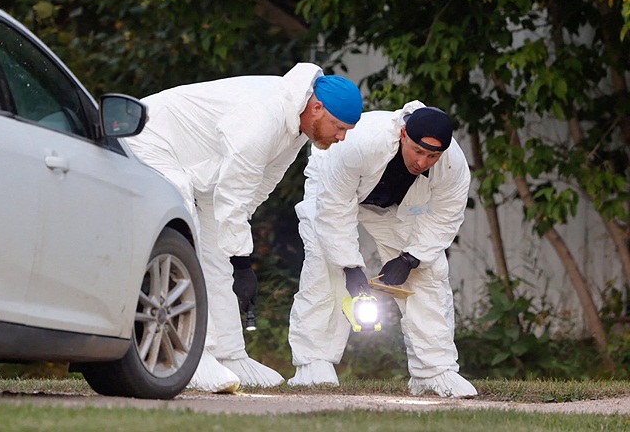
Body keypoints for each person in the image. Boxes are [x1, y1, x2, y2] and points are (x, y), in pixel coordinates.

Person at [125, 63, 363, 393]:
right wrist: (242, 263)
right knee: (185, 233)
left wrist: (236, 252)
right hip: (148, 138)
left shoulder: (296, 126)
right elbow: (235, 192)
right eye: (339, 127)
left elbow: (257, 188)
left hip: (202, 168)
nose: (341, 137)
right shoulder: (264, 117)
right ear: (317, 108)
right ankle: (192, 354)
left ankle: (229, 354)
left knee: (219, 249)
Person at [287, 101, 477, 397]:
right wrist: (350, 267)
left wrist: (411, 258)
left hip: (390, 205)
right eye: (418, 151)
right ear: (403, 135)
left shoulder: (453, 165)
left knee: (429, 271)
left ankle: (433, 371)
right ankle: (314, 364)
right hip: (333, 188)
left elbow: (446, 216)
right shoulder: (361, 144)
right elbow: (335, 209)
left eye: (432, 156)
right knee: (324, 267)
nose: (423, 162)